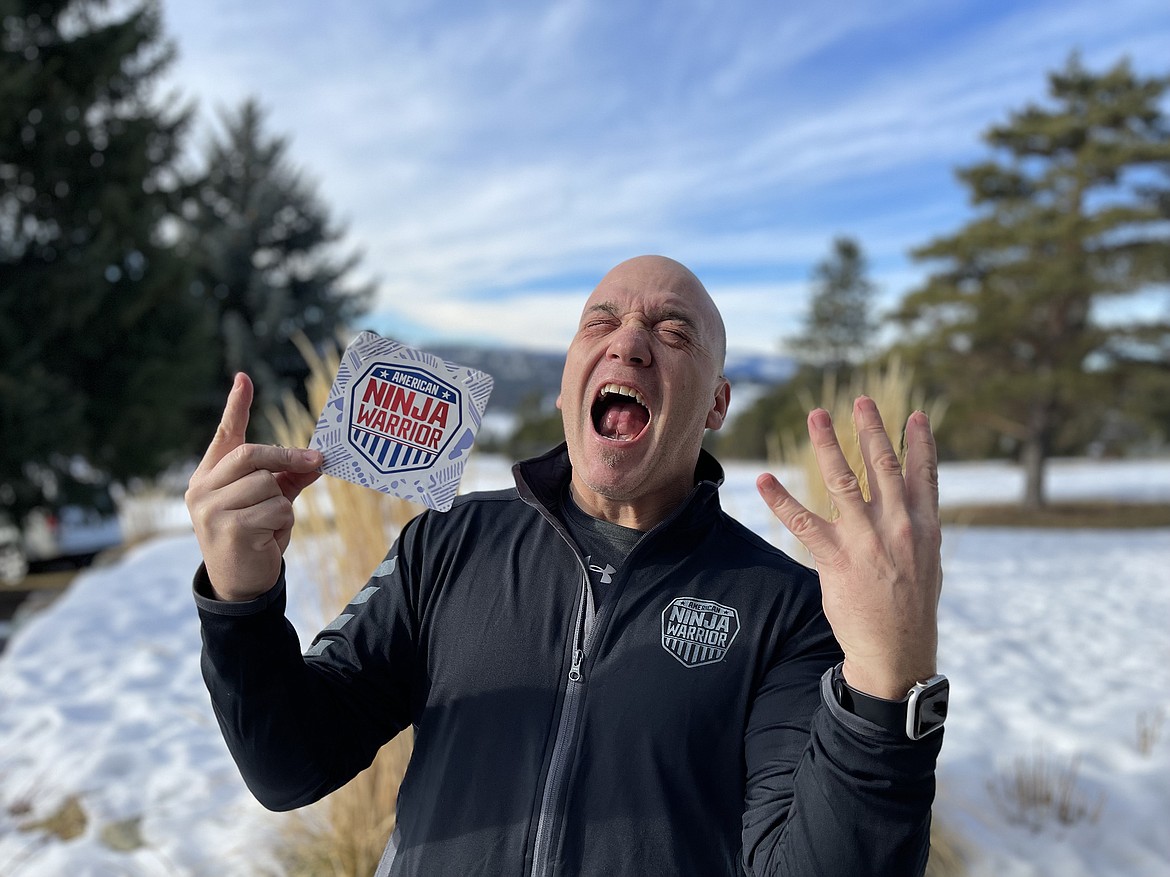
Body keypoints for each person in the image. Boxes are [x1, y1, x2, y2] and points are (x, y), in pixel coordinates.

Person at [187, 255, 945, 876]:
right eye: (602, 322)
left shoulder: (786, 605)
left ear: (717, 403)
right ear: (563, 385)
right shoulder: (448, 541)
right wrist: (241, 601)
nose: (630, 342)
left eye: (674, 331)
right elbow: (288, 763)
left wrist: (888, 683)